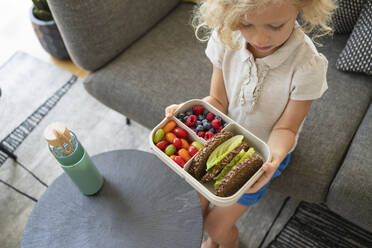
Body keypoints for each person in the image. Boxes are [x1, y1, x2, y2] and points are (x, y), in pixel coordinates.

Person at [165, 0, 335, 247]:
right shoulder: (227, 37)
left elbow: (286, 129)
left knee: (216, 226)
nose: (260, 37)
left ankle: (226, 242)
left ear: (301, 7)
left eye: (276, 26)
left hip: (262, 153)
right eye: (246, 24)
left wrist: (272, 159)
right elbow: (217, 101)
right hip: (221, 138)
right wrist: (188, 114)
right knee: (193, 208)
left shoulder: (307, 65)